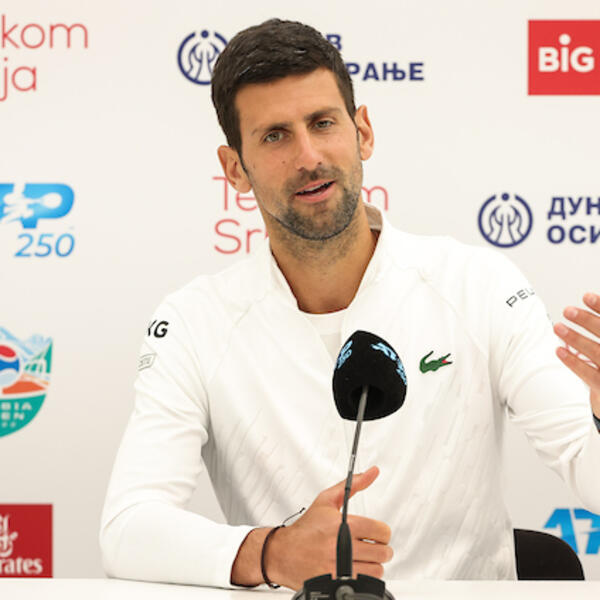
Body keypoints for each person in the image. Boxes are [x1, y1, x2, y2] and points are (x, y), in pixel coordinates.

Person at [100, 19, 600, 590]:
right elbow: (127, 528)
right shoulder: (195, 321)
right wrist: (271, 552)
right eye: (275, 136)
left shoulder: (477, 284)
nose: (308, 156)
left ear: (362, 131)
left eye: (322, 123)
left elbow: (584, 463)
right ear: (235, 168)